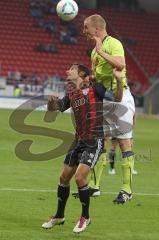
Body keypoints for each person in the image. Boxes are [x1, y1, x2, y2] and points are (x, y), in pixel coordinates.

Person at [42, 63, 123, 233]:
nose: (67, 71)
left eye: (70, 69)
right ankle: (59, 216)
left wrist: (119, 81)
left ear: (81, 73)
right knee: (63, 178)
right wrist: (51, 104)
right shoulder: (71, 93)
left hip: (94, 140)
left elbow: (117, 98)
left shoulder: (97, 88)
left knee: (79, 178)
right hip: (78, 141)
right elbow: (56, 108)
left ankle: (85, 217)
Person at [83, 14, 135, 204]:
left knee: (123, 143)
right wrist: (90, 79)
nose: (84, 31)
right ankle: (95, 187)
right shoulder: (93, 53)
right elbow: (97, 77)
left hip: (120, 98)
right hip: (105, 100)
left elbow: (121, 64)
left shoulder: (113, 43)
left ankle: (126, 190)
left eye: (86, 27)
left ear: (97, 28)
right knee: (101, 142)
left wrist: (101, 51)